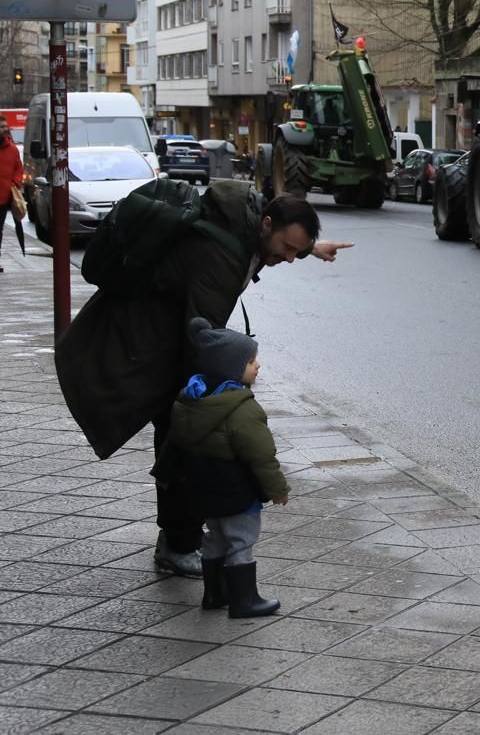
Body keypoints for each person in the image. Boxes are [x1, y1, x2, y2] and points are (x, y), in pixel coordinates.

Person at [55, 181, 352, 576]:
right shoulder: (221, 257)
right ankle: (178, 545)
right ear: (266, 224)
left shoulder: (248, 225)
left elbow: (276, 237)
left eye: (297, 251)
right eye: (288, 248)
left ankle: (177, 540)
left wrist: (312, 247)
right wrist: (221, 393)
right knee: (188, 435)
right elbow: (203, 338)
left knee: (186, 431)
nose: (289, 258)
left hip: (161, 334)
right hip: (145, 343)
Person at [162, 319, 286, 618]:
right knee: (241, 540)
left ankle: (215, 594)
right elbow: (261, 456)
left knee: (214, 537)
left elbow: (174, 445)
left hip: (204, 491)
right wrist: (277, 489)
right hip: (237, 492)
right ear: (231, 368)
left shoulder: (191, 400)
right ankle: (245, 600)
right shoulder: (242, 409)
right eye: (251, 361)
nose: (258, 366)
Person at [0, 128, 21, 274]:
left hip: (3, 197)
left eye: (4, 127)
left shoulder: (13, 150)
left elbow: (18, 168)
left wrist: (14, 184)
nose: (2, 130)